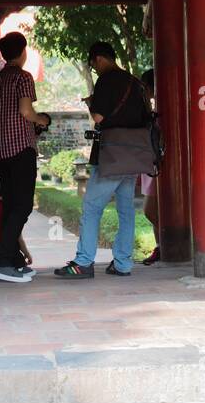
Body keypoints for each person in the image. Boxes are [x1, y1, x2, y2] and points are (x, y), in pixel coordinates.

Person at [55, 41, 151, 279]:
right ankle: (122, 263)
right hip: (133, 156)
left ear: (98, 59)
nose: (94, 69)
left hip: (112, 155)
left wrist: (91, 104)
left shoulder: (106, 80)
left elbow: (98, 117)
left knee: (91, 207)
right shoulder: (135, 82)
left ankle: (84, 261)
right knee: (126, 210)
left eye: (93, 65)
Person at [0, 31, 51, 283]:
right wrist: (41, 119)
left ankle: (14, 261)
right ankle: (2, 262)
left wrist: (6, 125)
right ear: (23, 53)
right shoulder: (23, 77)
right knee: (23, 206)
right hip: (22, 148)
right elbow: (26, 110)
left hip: (2, 152)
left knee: (11, 204)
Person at [137, 69, 162, 266]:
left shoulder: (159, 112)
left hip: (158, 165)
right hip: (151, 164)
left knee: (150, 210)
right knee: (153, 210)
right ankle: (161, 246)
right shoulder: (150, 111)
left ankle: (165, 244)